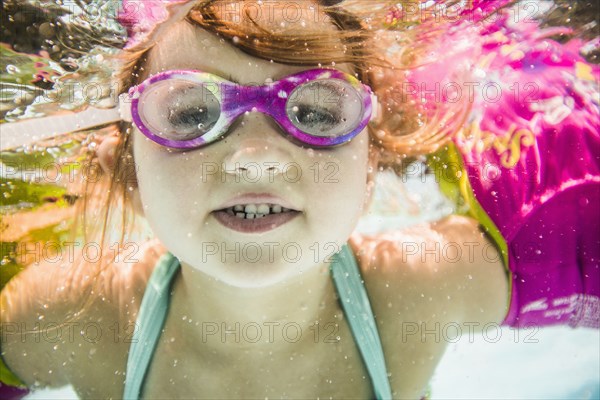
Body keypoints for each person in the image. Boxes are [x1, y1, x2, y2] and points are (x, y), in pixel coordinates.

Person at [0, 1, 597, 399]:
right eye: (191, 114)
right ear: (126, 173)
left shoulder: (416, 292)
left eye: (314, 112)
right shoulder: (71, 319)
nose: (256, 157)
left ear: (372, 163)